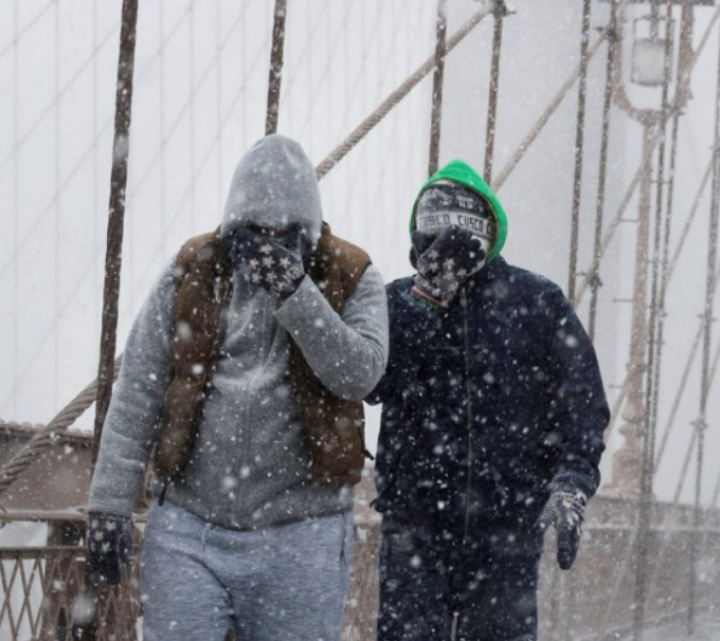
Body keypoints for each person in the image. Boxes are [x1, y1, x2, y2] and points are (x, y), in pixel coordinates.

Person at [86, 134, 388, 640]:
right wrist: (109, 504)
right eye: (254, 230)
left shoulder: (353, 274)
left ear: (309, 228)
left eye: (286, 232)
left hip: (303, 533)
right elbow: (138, 390)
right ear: (232, 224)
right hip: (188, 525)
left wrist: (297, 292)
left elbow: (360, 372)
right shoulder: (192, 270)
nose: (268, 242)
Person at [368, 159, 610, 641]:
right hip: (414, 528)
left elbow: (582, 407)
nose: (441, 246)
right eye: (430, 233)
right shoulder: (396, 301)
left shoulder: (538, 302)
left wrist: (571, 485)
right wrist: (428, 297)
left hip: (508, 535)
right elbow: (377, 384)